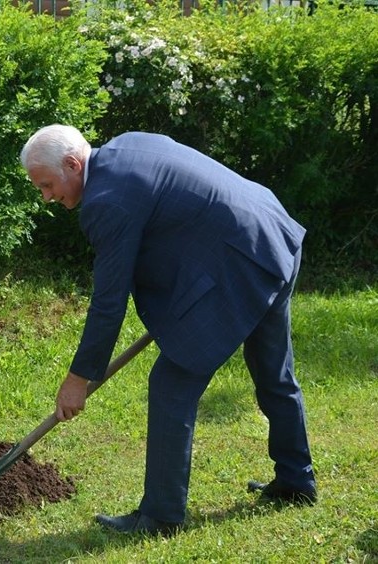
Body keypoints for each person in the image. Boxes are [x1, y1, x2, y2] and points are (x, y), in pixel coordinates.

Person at [20, 125, 316, 535]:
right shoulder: (126, 147)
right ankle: (297, 481)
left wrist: (78, 377)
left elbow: (109, 301)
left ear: (73, 164)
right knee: (273, 373)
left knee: (171, 384)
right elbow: (178, 227)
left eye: (48, 185)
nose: (47, 196)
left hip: (244, 257)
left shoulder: (106, 201)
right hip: (271, 232)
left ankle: (160, 516)